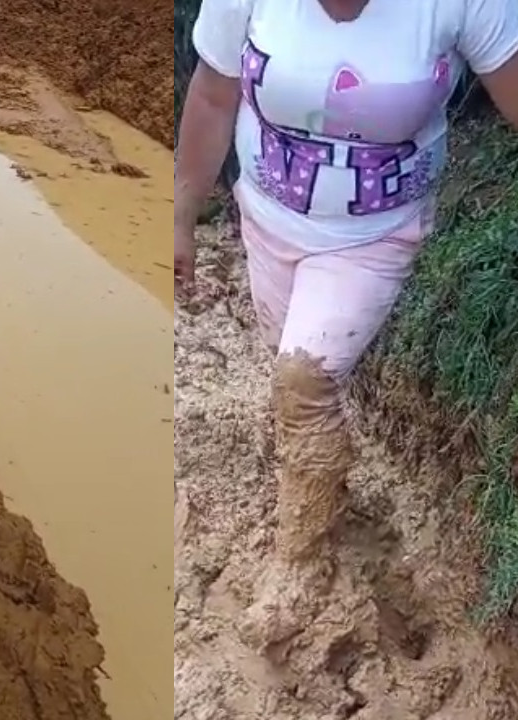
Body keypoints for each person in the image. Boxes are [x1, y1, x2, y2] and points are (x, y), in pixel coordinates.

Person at [175, 0, 518, 652]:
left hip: (374, 237)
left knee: (302, 379)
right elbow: (216, 97)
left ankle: (299, 563)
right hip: (266, 219)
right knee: (289, 367)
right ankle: (309, 461)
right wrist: (182, 209)